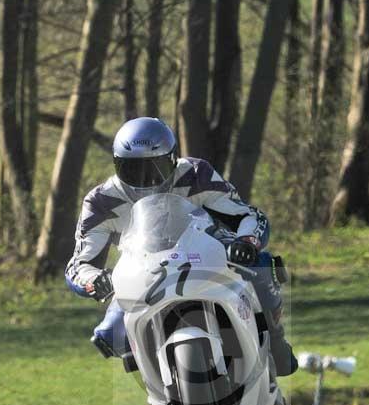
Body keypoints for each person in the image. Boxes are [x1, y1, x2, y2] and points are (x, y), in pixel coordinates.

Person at [65, 117, 298, 376]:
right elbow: (79, 263)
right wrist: (95, 280)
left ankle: (276, 344)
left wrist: (246, 242)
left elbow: (248, 215)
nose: (146, 180)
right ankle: (154, 378)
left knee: (262, 265)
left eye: (155, 167)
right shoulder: (100, 201)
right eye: (132, 169)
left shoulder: (197, 174)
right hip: (143, 275)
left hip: (205, 257)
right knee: (109, 335)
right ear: (116, 165)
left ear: (174, 159)